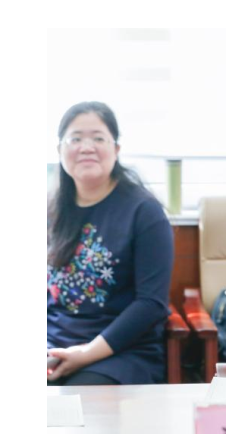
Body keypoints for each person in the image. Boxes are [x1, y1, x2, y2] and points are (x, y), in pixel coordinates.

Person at [47, 102, 174, 385]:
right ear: (59, 150)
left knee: (75, 400)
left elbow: (151, 304)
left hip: (120, 354)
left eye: (98, 138)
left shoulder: (144, 212)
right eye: (75, 139)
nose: (86, 147)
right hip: (53, 348)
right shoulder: (50, 210)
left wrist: (86, 353)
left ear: (116, 149)